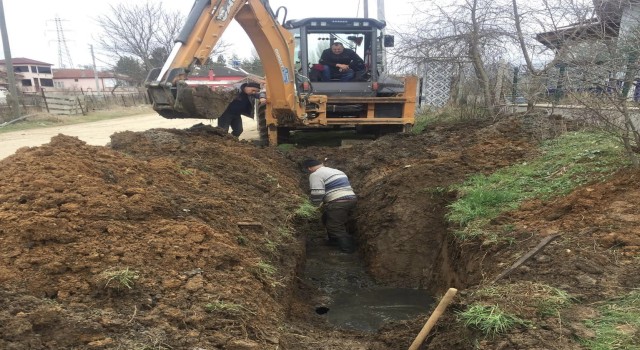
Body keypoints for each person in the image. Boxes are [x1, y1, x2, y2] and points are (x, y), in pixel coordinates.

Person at [303, 158, 357, 253]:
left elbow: (317, 193)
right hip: (351, 198)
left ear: (309, 168)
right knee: (326, 217)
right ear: (322, 164)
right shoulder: (337, 171)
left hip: (338, 201)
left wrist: (312, 207)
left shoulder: (315, 175)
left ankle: (348, 250)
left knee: (335, 226)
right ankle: (334, 241)